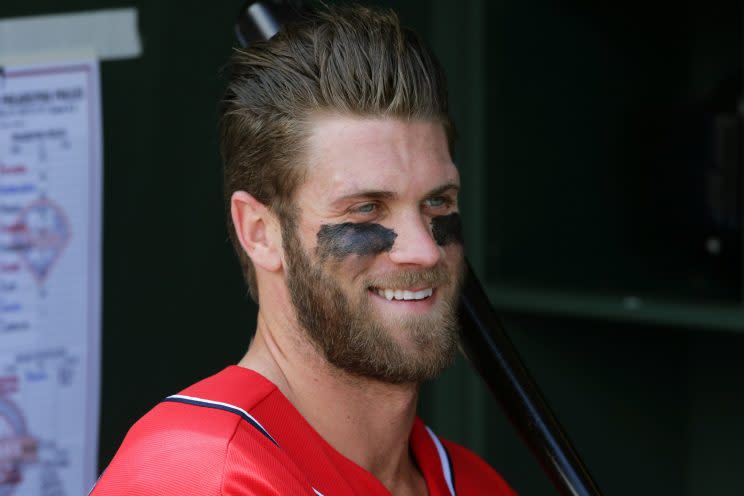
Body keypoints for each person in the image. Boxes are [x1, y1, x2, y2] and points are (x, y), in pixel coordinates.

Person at [91, 4, 516, 495]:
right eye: (366, 208)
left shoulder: (474, 482)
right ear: (259, 232)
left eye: (437, 202)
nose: (423, 250)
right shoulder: (201, 477)